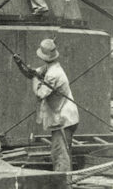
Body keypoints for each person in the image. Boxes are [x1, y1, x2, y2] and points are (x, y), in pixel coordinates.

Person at [13, 39, 78, 173]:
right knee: (61, 153)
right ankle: (65, 181)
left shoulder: (53, 74)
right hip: (63, 118)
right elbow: (32, 73)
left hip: (64, 119)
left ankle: (63, 184)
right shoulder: (50, 67)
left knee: (60, 155)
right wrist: (20, 65)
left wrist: (36, 78)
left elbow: (39, 93)